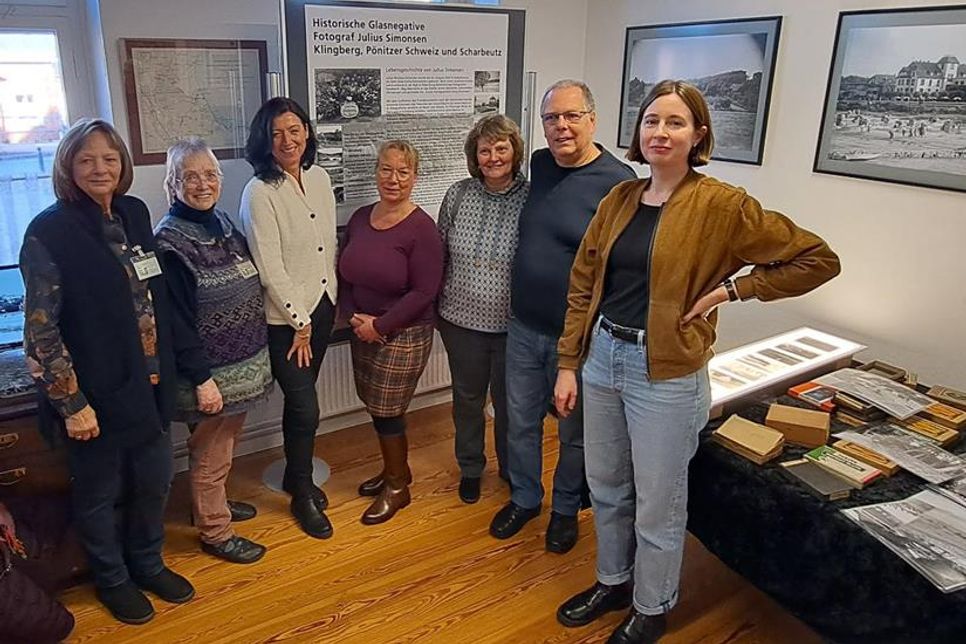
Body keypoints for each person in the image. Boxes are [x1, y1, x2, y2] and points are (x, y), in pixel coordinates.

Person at [552, 80, 841, 643]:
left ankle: (652, 605)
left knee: (659, 503)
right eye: (652, 121)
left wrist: (735, 291)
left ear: (698, 134)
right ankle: (613, 580)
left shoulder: (723, 205)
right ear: (638, 131)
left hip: (666, 375)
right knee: (607, 486)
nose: (661, 132)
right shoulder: (621, 199)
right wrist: (569, 362)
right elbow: (584, 282)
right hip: (603, 356)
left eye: (676, 122)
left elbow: (816, 259)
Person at [20, 119, 194, 625]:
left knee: (155, 483)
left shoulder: (135, 213)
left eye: (110, 159)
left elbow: (154, 295)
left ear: (122, 165)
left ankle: (147, 562)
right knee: (97, 496)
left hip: (149, 386)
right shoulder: (48, 231)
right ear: (68, 167)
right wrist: (72, 405)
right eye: (87, 159)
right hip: (93, 396)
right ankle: (112, 579)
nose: (100, 168)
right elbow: (41, 332)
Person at [490, 80, 635, 553]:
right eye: (551, 118)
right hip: (523, 325)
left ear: (592, 119)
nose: (561, 127)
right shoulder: (540, 163)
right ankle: (526, 498)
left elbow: (621, 266)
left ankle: (566, 510)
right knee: (520, 420)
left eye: (571, 116)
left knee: (575, 434)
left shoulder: (620, 182)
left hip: (577, 339)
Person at [155, 137, 274, 564]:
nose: (202, 184)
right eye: (190, 176)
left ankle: (210, 505)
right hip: (210, 375)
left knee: (221, 448)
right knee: (210, 453)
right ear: (173, 184)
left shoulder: (220, 222)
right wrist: (203, 380)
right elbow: (176, 323)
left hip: (241, 367)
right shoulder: (170, 244)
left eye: (210, 174)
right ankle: (216, 532)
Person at [239, 97, 339, 539]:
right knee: (305, 406)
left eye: (295, 129)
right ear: (265, 140)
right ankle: (301, 491)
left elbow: (327, 244)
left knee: (303, 408)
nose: (288, 140)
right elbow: (269, 266)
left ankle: (295, 475)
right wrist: (299, 320)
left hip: (322, 306)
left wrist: (325, 304)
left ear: (307, 132)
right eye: (277, 133)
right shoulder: (259, 191)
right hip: (287, 323)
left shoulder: (319, 178)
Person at [339, 140, 443, 525]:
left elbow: (424, 291)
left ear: (415, 177)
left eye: (402, 171)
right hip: (362, 329)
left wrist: (381, 326)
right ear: (376, 172)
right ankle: (394, 470)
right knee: (374, 404)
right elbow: (344, 272)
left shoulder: (422, 228)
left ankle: (398, 486)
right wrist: (353, 317)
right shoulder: (360, 217)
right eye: (386, 169)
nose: (393, 179)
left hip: (405, 333)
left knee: (387, 409)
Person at [437, 115, 529, 504]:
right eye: (485, 149)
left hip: (514, 326)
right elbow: (438, 252)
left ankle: (512, 468)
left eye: (501, 148)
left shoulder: (533, 197)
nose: (493, 157)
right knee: (467, 399)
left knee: (512, 405)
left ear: (515, 152)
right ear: (475, 155)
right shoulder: (458, 194)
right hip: (460, 321)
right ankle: (471, 467)